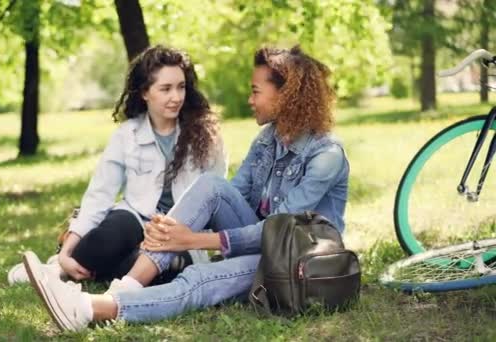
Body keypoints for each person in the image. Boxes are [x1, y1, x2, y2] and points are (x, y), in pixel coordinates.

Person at [22, 44, 350, 332]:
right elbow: (226, 195)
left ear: (286, 94)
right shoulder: (267, 140)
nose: (249, 100)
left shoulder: (325, 156)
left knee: (198, 280)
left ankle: (91, 308)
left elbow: (277, 232)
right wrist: (177, 233)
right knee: (210, 186)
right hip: (258, 245)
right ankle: (127, 286)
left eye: (255, 91)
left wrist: (193, 240)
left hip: (295, 264)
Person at [8, 45, 227, 286]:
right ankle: (58, 269)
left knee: (170, 267)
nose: (176, 97)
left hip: (178, 233)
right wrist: (66, 251)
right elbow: (99, 196)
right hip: (133, 221)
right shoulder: (127, 134)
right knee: (117, 228)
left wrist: (202, 242)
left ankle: (97, 269)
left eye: (181, 87)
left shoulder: (206, 136)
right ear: (145, 93)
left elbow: (215, 197)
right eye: (165, 89)